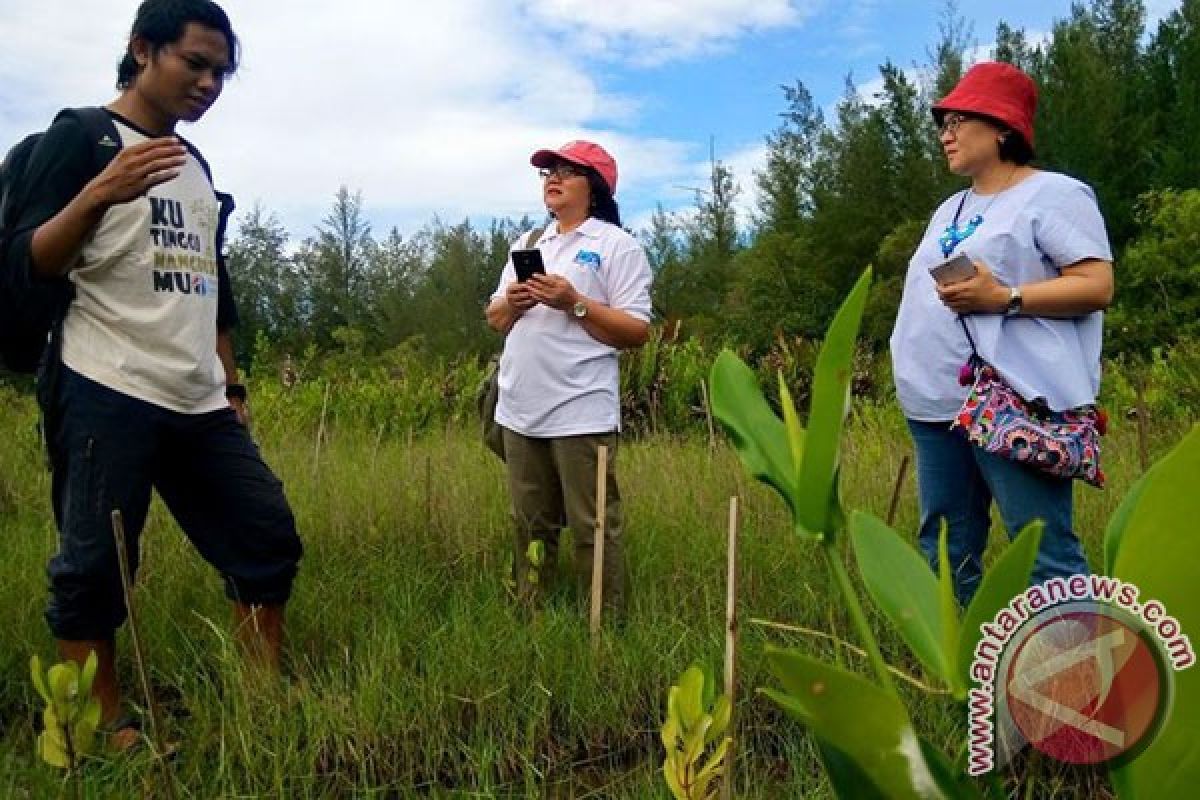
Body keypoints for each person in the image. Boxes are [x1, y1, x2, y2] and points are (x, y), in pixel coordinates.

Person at [8, 0, 302, 748]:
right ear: (143, 49)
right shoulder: (82, 136)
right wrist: (101, 190)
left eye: (221, 73)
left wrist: (231, 387)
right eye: (195, 63)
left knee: (264, 533)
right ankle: (99, 724)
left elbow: (213, 287)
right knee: (95, 564)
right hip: (105, 383)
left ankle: (260, 693)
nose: (209, 83)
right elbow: (26, 259)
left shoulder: (194, 164)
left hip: (197, 397)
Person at [889, 62, 1114, 606]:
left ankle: (1075, 685)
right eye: (941, 122)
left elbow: (1096, 284)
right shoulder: (951, 208)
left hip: (1012, 401)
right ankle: (973, 680)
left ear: (1003, 127)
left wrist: (1006, 297)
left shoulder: (1054, 194)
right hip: (935, 403)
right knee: (947, 549)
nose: (945, 133)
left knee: (1041, 553)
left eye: (959, 120)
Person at [485, 141, 653, 615]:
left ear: (594, 187)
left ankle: (606, 622)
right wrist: (513, 302)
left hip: (581, 409)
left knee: (592, 525)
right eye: (546, 173)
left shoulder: (616, 246)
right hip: (520, 408)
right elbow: (495, 318)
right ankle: (531, 612)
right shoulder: (528, 243)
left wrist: (573, 302)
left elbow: (637, 331)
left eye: (565, 171)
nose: (551, 179)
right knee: (529, 522)